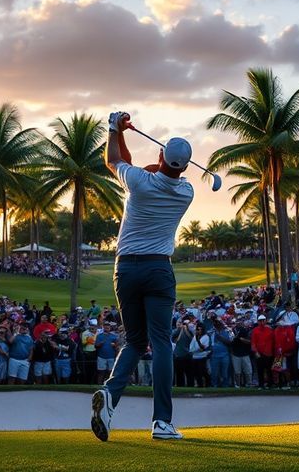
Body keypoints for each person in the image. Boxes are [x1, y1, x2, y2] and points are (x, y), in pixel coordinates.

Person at [92, 111, 193, 442]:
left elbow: (114, 161)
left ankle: (110, 396)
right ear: (186, 167)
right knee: (161, 341)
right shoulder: (186, 192)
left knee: (135, 340)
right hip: (158, 269)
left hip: (126, 269)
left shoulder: (138, 182)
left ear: (161, 155)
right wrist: (123, 134)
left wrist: (114, 128)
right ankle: (162, 422)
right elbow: (148, 169)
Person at [251, 314, 275, 389]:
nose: (262, 322)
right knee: (260, 370)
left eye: (263, 320)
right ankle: (261, 384)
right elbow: (253, 342)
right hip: (259, 353)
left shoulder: (270, 330)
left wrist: (272, 352)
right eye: (260, 321)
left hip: (268, 353)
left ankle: (269, 384)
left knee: (269, 370)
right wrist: (255, 352)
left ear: (265, 321)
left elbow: (273, 341)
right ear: (258, 321)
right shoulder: (255, 330)